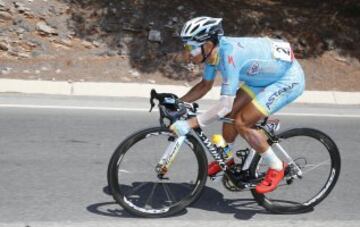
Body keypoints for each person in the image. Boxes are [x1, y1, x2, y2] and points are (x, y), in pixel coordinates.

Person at [170, 16, 305, 194]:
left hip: (286, 79)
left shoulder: (229, 56)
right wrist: (177, 103)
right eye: (186, 47)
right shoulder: (212, 55)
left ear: (208, 44)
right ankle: (226, 157)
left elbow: (223, 105)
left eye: (191, 47)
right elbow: (204, 86)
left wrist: (189, 124)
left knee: (242, 122)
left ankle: (277, 167)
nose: (187, 53)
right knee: (231, 115)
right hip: (261, 78)